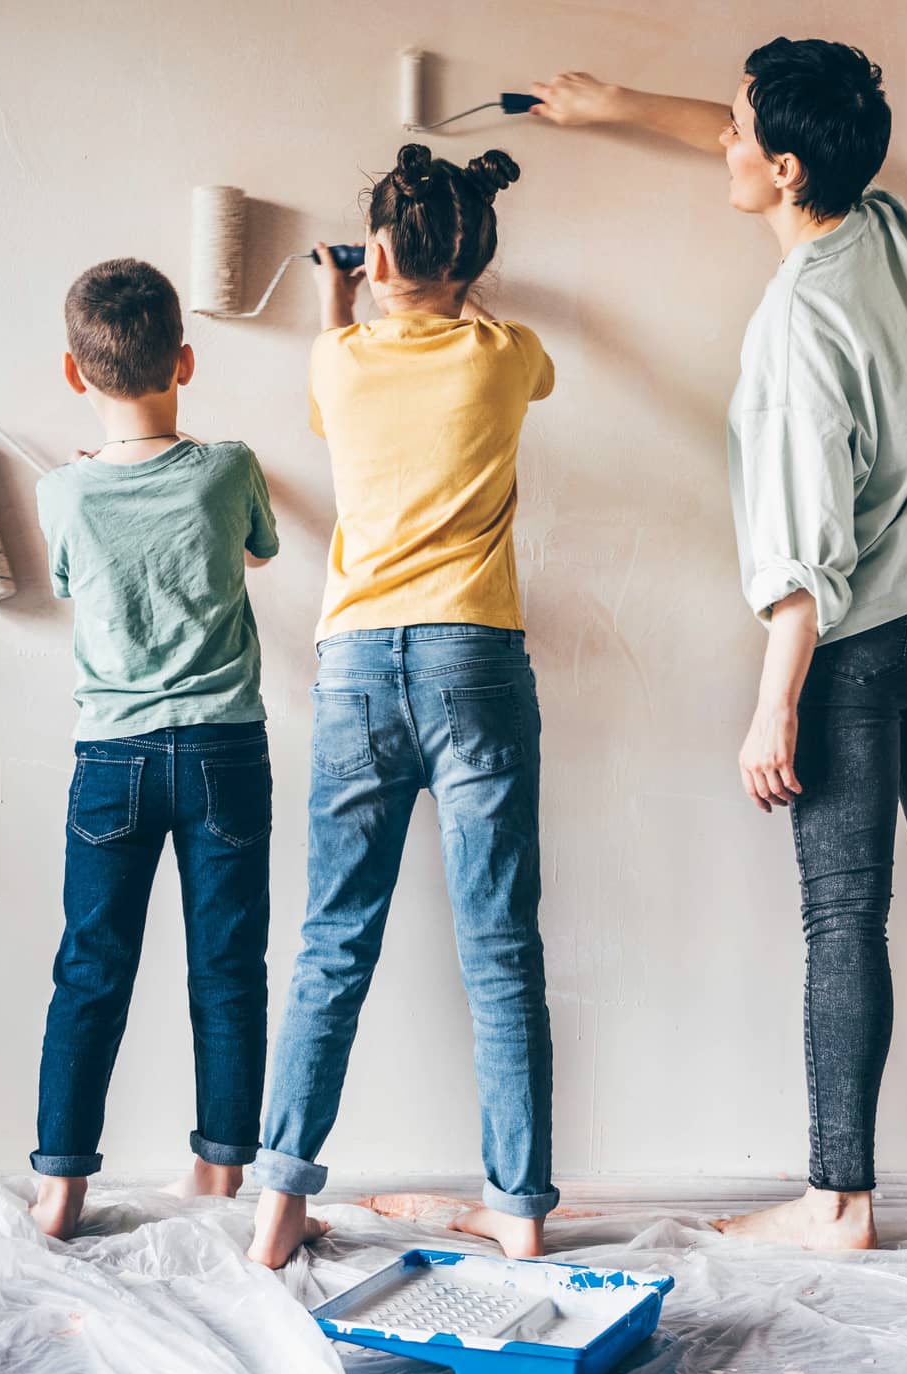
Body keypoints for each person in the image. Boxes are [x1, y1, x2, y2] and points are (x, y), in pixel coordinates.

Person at [529, 40, 907, 1251]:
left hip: (859, 644)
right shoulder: (883, 228)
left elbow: (801, 567)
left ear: (783, 168)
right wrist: (617, 106)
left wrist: (771, 709)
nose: (719, 143)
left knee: (844, 917)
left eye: (737, 135)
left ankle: (835, 1199)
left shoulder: (792, 333)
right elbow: (759, 137)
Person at [248, 144, 559, 1267]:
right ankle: (519, 1209)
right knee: (500, 947)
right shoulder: (508, 354)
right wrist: (444, 277)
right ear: (475, 257)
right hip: (475, 657)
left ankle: (278, 1208)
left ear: (374, 256)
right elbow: (518, 363)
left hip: (357, 668)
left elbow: (340, 366)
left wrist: (343, 292)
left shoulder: (337, 360)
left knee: (333, 941)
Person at [30, 258, 280, 1238]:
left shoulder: (64, 494)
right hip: (223, 751)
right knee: (226, 965)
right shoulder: (228, 469)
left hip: (112, 761)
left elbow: (64, 584)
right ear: (184, 358)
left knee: (89, 966)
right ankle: (217, 1175)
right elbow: (259, 548)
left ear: (71, 372)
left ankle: (59, 1189)